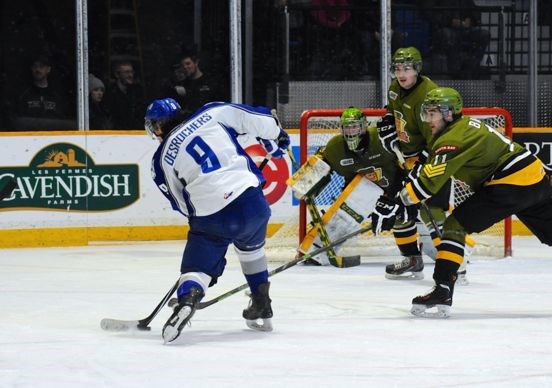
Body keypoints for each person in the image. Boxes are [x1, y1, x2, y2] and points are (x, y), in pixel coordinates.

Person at [372, 87, 552, 318]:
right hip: (535, 180)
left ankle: (442, 290)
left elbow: (426, 185)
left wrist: (397, 204)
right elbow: (423, 165)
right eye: (425, 113)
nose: (427, 119)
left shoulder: (453, 139)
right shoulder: (459, 130)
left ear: (448, 113)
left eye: (431, 113)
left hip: (510, 184)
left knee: (454, 226)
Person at [143, 98, 290, 342]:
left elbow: (179, 201)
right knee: (252, 249)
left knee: (197, 268)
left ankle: (189, 296)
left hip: (212, 215)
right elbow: (260, 119)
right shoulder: (212, 112)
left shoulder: (160, 160)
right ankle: (262, 303)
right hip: (252, 202)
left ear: (158, 127)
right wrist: (278, 134)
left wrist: (202, 227)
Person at [377, 47, 472, 281]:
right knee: (399, 208)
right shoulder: (394, 88)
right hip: (405, 160)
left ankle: (454, 264)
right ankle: (412, 259)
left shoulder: (429, 94)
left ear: (417, 69)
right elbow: (391, 112)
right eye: (397, 68)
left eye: (406, 68)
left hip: (433, 160)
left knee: (434, 213)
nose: (401, 73)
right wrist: (388, 125)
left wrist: (420, 165)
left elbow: (437, 136)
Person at [295, 107, 424, 278]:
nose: (350, 132)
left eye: (354, 127)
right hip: (364, 197)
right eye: (347, 127)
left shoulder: (381, 140)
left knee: (420, 217)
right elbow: (322, 162)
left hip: (397, 189)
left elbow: (407, 162)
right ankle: (315, 250)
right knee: (353, 201)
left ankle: (448, 252)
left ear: (364, 126)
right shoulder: (335, 147)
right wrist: (305, 182)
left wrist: (397, 194)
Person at [10, 55, 72, 130]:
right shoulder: (23, 94)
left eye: (41, 66)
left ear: (48, 69)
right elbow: (16, 121)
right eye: (35, 66)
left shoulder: (57, 95)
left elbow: (63, 120)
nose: (38, 69)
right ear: (31, 69)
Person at [171, 50, 221, 114]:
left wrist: (187, 93)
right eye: (182, 65)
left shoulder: (210, 82)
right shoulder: (182, 84)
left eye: (188, 64)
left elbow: (208, 103)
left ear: (196, 63)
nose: (185, 67)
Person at [105, 61, 145, 130]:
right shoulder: (110, 93)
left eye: (132, 72)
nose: (130, 75)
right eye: (126, 72)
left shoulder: (137, 91)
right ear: (117, 75)